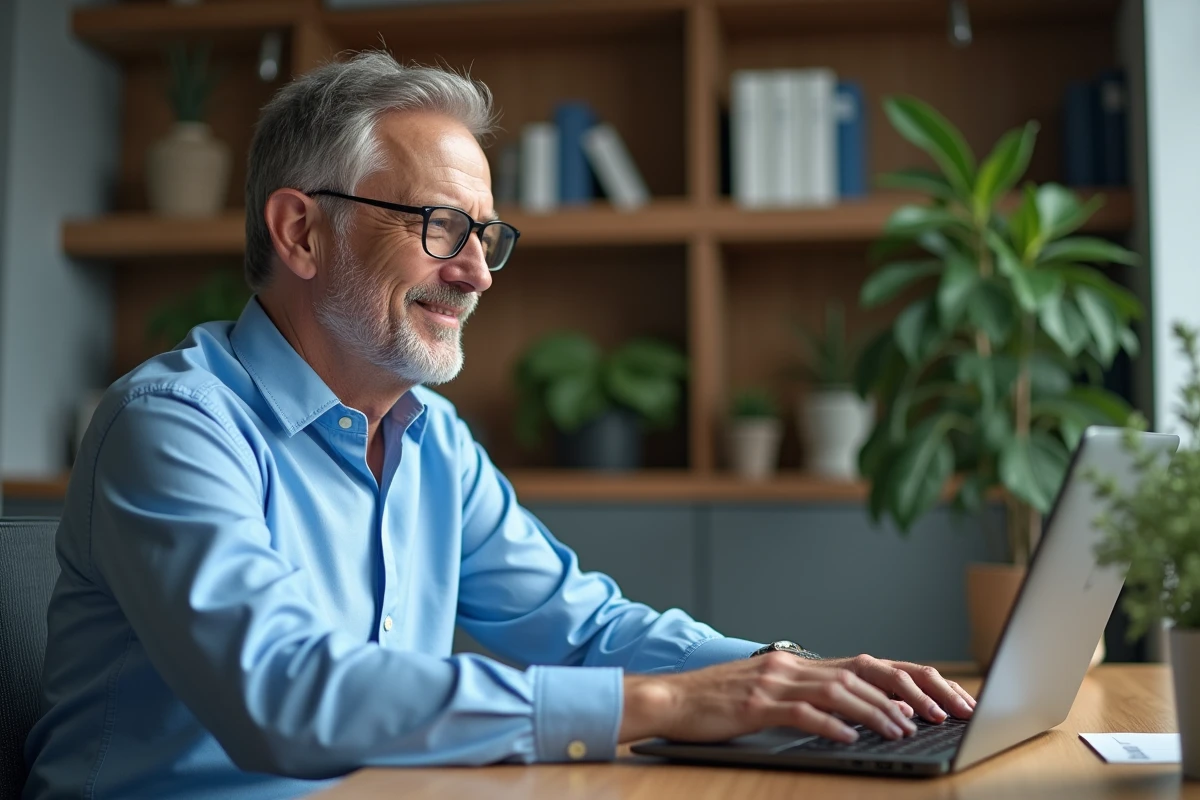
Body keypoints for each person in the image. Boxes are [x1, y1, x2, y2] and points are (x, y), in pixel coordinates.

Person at [22, 53, 975, 800]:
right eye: (439, 226)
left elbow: (581, 628)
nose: (477, 274)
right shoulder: (175, 426)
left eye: (487, 237)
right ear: (301, 232)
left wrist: (788, 676)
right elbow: (285, 697)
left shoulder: (432, 439)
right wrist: (672, 705)